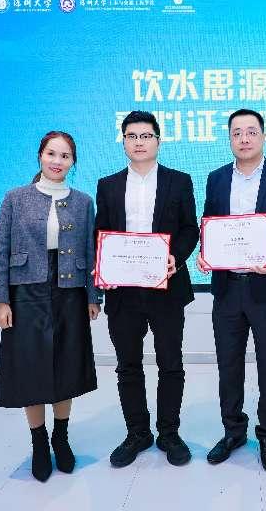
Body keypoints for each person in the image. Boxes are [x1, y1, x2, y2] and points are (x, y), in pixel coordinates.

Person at [0, 131, 101, 482]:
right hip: (26, 292)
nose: (57, 161)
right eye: (51, 153)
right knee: (30, 368)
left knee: (67, 365)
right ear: (40, 155)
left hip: (70, 291)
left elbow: (90, 251)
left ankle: (60, 438)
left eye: (65, 156)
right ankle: (39, 443)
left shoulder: (83, 202)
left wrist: (93, 296)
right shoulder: (15, 198)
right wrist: (0, 300)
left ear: (73, 162)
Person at [197, 109, 266, 472]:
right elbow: (209, 224)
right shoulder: (215, 179)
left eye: (251, 132)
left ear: (263, 136)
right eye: (237, 133)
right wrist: (206, 253)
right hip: (227, 287)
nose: (244, 138)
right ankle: (233, 430)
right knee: (228, 363)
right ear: (229, 138)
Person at [95, 111, 200, 468]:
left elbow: (190, 229)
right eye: (132, 136)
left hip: (166, 287)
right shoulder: (108, 185)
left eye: (146, 136)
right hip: (123, 291)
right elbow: (100, 233)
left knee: (171, 363)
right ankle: (137, 433)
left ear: (158, 140)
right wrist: (104, 266)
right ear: (123, 141)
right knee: (128, 365)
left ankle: (169, 433)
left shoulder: (179, 181)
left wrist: (175, 258)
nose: (139, 142)